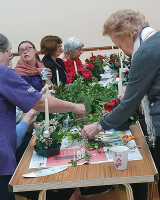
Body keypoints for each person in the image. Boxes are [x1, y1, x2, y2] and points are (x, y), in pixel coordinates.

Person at [81, 9, 160, 200]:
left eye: (119, 45)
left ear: (127, 34)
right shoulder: (155, 40)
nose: (123, 50)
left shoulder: (145, 52)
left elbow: (127, 105)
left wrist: (99, 126)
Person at [0, 33, 85, 200]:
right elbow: (38, 102)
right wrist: (75, 107)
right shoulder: (4, 73)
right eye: (10, 54)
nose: (10, 60)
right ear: (2, 50)